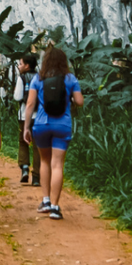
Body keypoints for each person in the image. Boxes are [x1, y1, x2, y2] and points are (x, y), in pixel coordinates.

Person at [23, 46, 84, 220]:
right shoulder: (70, 78)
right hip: (62, 125)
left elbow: (29, 104)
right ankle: (56, 207)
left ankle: (46, 200)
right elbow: (79, 101)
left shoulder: (38, 78)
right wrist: (70, 96)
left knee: (44, 161)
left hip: (41, 124)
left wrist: (26, 127)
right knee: (57, 164)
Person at [13, 52, 39, 184]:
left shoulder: (22, 78)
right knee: (37, 146)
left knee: (23, 142)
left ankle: (24, 168)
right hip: (39, 116)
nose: (18, 66)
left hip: (25, 116)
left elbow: (17, 97)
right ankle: (36, 177)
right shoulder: (41, 77)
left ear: (27, 66)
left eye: (20, 63)